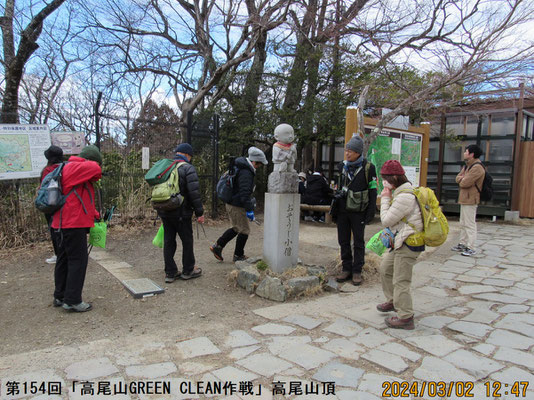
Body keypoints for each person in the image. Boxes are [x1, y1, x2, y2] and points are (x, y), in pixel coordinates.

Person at [50, 145, 102, 312]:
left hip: (61, 222)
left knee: (64, 258)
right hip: (73, 224)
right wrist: (94, 165)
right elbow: (96, 169)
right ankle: (72, 300)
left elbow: (77, 196)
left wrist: (93, 213)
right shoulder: (75, 167)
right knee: (78, 260)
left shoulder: (67, 169)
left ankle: (60, 295)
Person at [376, 160, 424, 330]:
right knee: (385, 268)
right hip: (400, 241)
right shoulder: (401, 192)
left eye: (386, 179)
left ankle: (406, 317)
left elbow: (386, 220)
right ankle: (393, 301)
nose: (384, 182)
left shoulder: (404, 196)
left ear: (395, 178)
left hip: (409, 242)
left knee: (401, 280)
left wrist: (385, 198)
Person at [210, 146, 268, 262]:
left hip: (232, 202)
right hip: (236, 204)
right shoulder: (246, 172)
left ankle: (218, 246)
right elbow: (244, 193)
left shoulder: (240, 167)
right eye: (259, 164)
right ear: (254, 161)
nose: (259, 166)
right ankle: (238, 255)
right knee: (244, 230)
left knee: (236, 228)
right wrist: (249, 209)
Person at [158, 143, 205, 283]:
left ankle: (170, 273)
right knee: (187, 240)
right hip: (181, 212)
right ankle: (188, 270)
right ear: (187, 155)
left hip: (164, 210)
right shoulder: (187, 168)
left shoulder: (166, 167)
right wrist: (199, 212)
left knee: (169, 241)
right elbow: (194, 193)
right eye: (190, 156)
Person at [335, 135, 377, 285]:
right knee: (343, 240)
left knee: (358, 241)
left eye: (351, 151)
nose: (347, 153)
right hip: (342, 210)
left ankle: (357, 270)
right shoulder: (341, 167)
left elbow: (373, 191)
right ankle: (346, 268)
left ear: (359, 152)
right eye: (346, 150)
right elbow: (336, 187)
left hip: (359, 210)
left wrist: (371, 211)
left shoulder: (369, 168)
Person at [451, 144, 485, 257]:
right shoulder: (467, 166)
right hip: (464, 198)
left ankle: (471, 246)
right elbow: (457, 178)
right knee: (463, 223)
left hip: (471, 198)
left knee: (470, 224)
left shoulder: (477, 167)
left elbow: (465, 183)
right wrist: (462, 178)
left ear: (472, 154)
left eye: (466, 151)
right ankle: (463, 243)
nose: (464, 153)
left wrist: (462, 178)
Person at [40, 145, 64, 264]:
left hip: (51, 204)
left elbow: (44, 189)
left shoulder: (47, 170)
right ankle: (64, 253)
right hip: (64, 203)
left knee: (54, 229)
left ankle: (57, 254)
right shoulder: (65, 167)